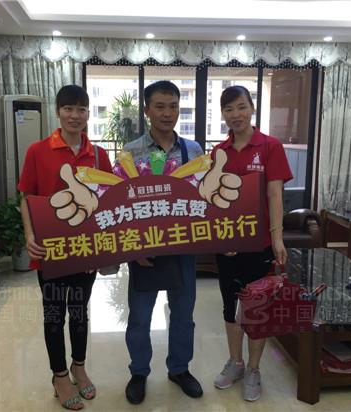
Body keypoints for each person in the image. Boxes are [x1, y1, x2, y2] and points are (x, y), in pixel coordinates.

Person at [18, 85, 113, 410]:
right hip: (51, 251)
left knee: (80, 312)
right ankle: (59, 375)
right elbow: (27, 197)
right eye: (69, 108)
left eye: (81, 109)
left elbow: (107, 203)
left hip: (85, 250)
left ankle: (79, 367)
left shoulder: (98, 155)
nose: (75, 115)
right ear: (58, 111)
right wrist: (29, 235)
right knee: (54, 313)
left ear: (88, 114)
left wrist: (99, 248)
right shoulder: (38, 151)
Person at [122, 81, 205, 405]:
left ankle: (179, 369)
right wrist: (135, 249)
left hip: (183, 249)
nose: (167, 113)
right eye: (160, 106)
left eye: (173, 106)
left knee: (183, 314)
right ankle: (138, 372)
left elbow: (204, 198)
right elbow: (121, 203)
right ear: (147, 110)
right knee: (140, 317)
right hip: (145, 250)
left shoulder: (193, 150)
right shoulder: (131, 151)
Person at [211, 85, 293, 402]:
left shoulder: (270, 146)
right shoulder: (219, 152)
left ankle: (254, 369)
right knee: (230, 306)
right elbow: (214, 199)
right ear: (223, 114)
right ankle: (236, 362)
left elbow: (275, 195)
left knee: (257, 308)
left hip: (259, 245)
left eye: (241, 107)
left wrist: (277, 237)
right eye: (229, 109)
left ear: (252, 109)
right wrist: (223, 237)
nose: (236, 114)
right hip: (228, 245)